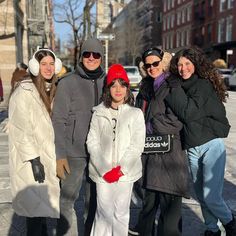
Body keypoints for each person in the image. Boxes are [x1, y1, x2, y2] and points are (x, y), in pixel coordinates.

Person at [165, 47, 236, 236]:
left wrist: (174, 89)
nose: (183, 68)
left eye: (187, 63)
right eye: (179, 65)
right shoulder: (179, 84)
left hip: (211, 145)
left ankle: (230, 222)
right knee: (202, 196)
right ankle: (212, 229)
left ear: (195, 65)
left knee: (211, 195)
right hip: (192, 146)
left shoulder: (202, 85)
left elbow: (188, 113)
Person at [51, 37, 106, 236]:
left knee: (94, 202)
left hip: (99, 153)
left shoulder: (108, 82)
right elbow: (58, 120)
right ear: (81, 57)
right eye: (87, 54)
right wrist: (60, 154)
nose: (91, 58)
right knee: (66, 199)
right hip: (73, 152)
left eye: (96, 54)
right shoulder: (67, 83)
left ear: (101, 56)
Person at [133, 47, 189, 236]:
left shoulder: (174, 85)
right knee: (148, 207)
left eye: (155, 63)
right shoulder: (145, 88)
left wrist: (148, 126)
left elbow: (177, 119)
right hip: (148, 157)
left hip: (170, 158)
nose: (151, 68)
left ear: (163, 62)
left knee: (169, 215)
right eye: (147, 65)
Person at [7, 47, 62, 236]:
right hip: (32, 162)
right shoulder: (24, 92)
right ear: (34, 66)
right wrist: (34, 159)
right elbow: (20, 130)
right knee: (34, 216)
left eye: (51, 64)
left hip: (48, 158)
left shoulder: (53, 90)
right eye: (43, 64)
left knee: (42, 211)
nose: (48, 68)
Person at [86, 64, 146, 236]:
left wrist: (121, 169)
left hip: (124, 174)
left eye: (122, 84)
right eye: (114, 84)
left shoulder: (135, 114)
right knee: (103, 214)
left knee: (120, 214)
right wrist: (104, 169)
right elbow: (92, 142)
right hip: (102, 173)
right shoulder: (98, 113)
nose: (118, 89)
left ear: (127, 88)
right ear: (108, 89)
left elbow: (136, 145)